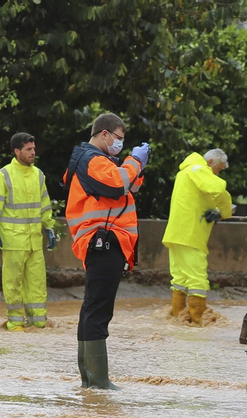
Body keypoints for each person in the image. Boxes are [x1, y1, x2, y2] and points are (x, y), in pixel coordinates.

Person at [63, 113, 150, 389]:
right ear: (104, 134)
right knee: (98, 310)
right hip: (104, 241)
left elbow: (129, 185)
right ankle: (98, 382)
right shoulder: (92, 160)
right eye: (118, 138)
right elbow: (116, 185)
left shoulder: (99, 161)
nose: (121, 144)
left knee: (93, 307)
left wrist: (137, 167)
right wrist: (134, 161)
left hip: (103, 241)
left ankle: (90, 381)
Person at [0, 132, 55, 330]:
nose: (33, 153)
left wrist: (50, 228)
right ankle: (15, 323)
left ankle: (38, 324)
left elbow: (45, 206)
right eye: (28, 149)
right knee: (13, 284)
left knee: (38, 285)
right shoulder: (3, 176)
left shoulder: (38, 175)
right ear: (17, 151)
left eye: (34, 149)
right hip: (13, 242)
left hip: (34, 243)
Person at [162, 148, 233, 323]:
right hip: (191, 235)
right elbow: (218, 190)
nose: (218, 173)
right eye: (219, 169)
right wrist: (225, 211)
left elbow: (199, 198)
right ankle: (198, 321)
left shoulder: (185, 172)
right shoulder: (199, 169)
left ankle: (179, 318)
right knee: (197, 281)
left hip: (176, 234)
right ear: (211, 163)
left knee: (179, 279)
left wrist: (215, 209)